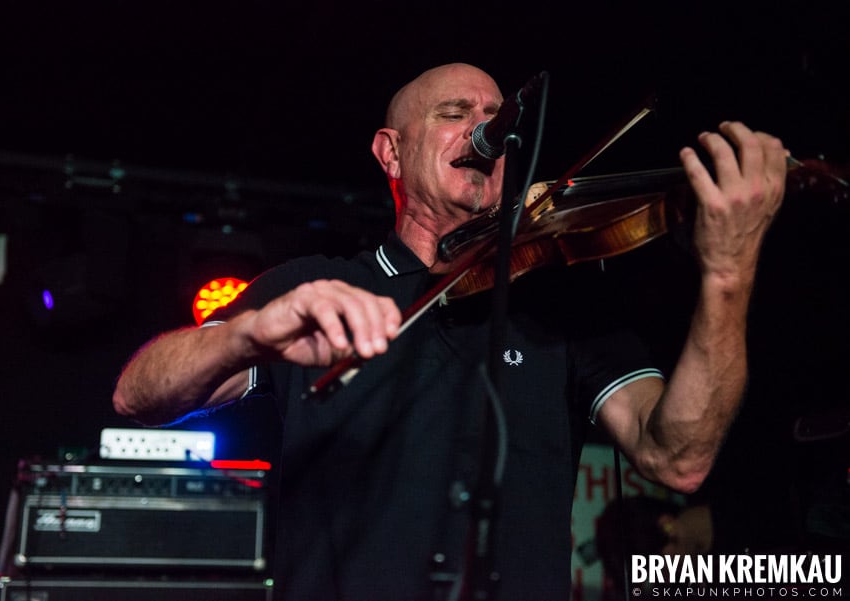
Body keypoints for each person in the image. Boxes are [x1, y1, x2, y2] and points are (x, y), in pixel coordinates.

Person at [112, 63, 787, 600]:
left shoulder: (558, 298)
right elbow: (137, 395)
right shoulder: (313, 285)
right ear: (391, 152)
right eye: (454, 115)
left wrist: (727, 273)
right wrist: (246, 334)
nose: (484, 132)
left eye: (498, 119)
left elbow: (679, 456)